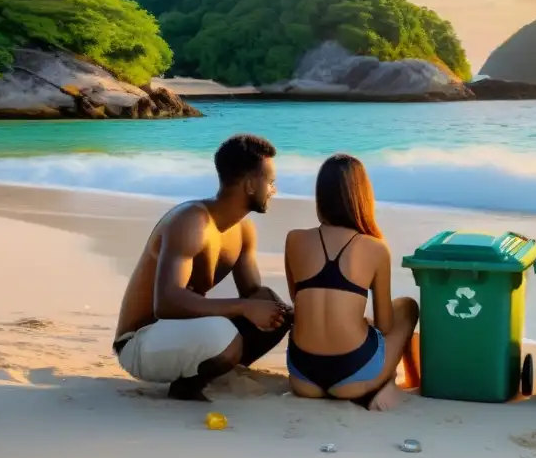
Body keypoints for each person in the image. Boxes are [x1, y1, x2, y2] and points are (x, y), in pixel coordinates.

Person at [112, 133, 293, 401]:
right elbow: (166, 303)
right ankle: (186, 388)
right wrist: (244, 307)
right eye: (271, 182)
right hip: (141, 342)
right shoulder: (191, 222)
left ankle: (215, 367)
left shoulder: (243, 229)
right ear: (251, 185)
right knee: (223, 335)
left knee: (272, 308)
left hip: (180, 333)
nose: (274, 190)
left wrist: (292, 315)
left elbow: (254, 292)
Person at [284, 153, 420, 411]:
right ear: (361, 196)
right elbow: (385, 324)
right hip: (354, 376)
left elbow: (297, 300)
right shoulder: (375, 248)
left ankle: (382, 377)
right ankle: (403, 380)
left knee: (357, 324)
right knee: (408, 306)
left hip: (303, 377)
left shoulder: (294, 240)